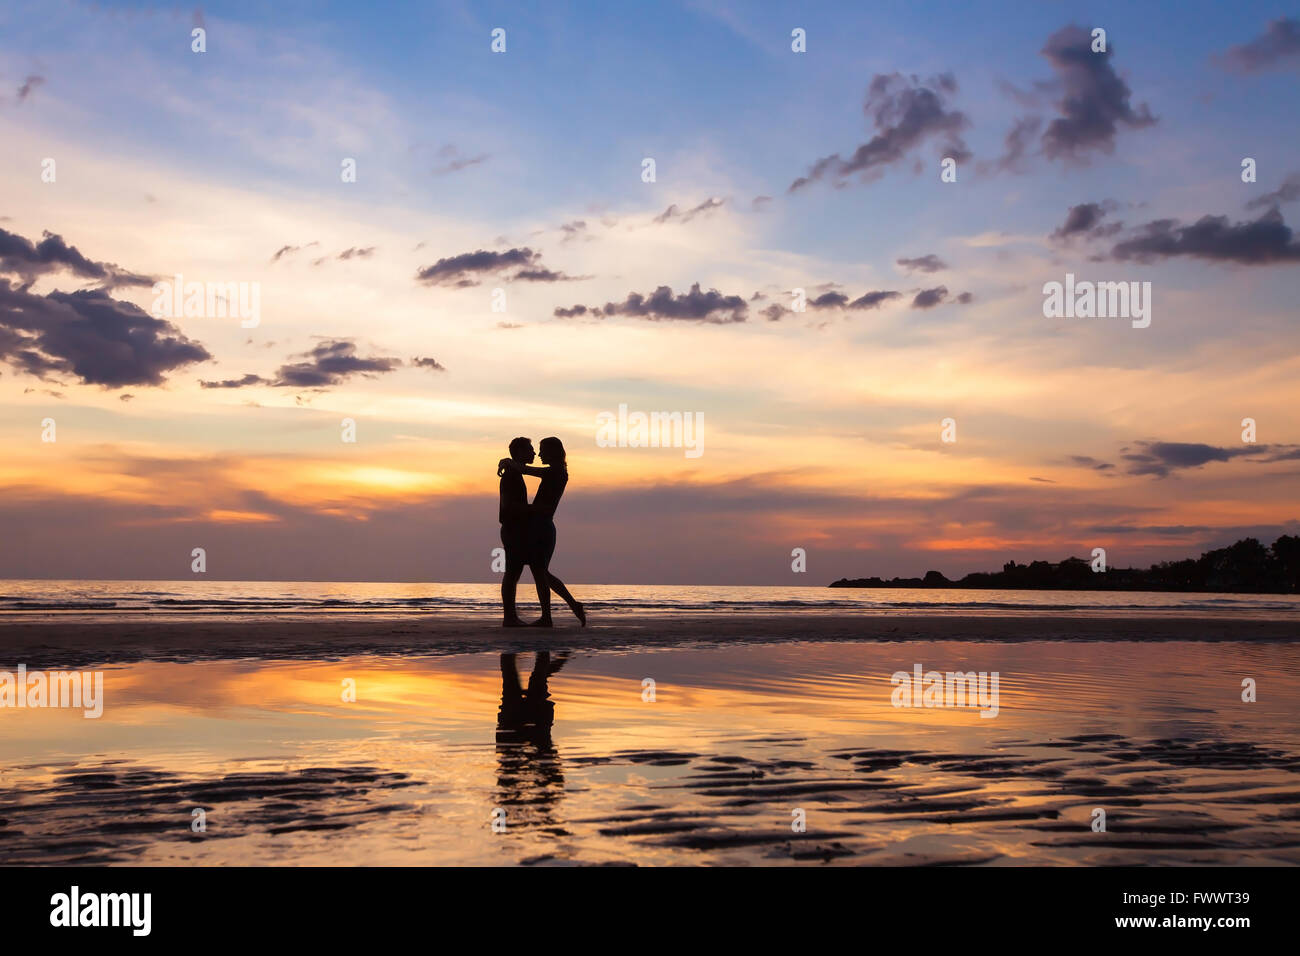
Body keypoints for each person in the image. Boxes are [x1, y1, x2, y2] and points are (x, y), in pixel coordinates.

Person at [498, 436, 585, 626]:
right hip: (535, 526)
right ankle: (563, 609)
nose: (538, 453)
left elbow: (527, 470)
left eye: (542, 450)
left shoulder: (556, 471)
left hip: (541, 526)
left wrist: (507, 461)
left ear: (553, 451)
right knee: (539, 572)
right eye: (534, 449)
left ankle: (551, 615)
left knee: (538, 572)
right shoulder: (554, 471)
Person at [498, 437, 535, 627]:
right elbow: (508, 505)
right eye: (530, 449)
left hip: (515, 528)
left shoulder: (515, 473)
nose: (534, 453)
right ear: (520, 452)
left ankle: (510, 616)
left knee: (514, 572)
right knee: (512, 573)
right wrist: (532, 510)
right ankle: (509, 617)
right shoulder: (512, 475)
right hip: (513, 529)